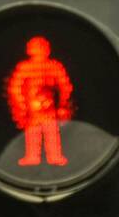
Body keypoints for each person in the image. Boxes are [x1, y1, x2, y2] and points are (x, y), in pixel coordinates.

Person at [5, 36, 73, 167]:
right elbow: (15, 87)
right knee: (34, 132)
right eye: (37, 48)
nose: (39, 51)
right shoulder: (25, 67)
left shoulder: (54, 66)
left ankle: (54, 157)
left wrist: (62, 103)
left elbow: (65, 86)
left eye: (41, 47)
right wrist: (22, 104)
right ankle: (33, 157)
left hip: (49, 107)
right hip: (33, 107)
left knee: (51, 131)